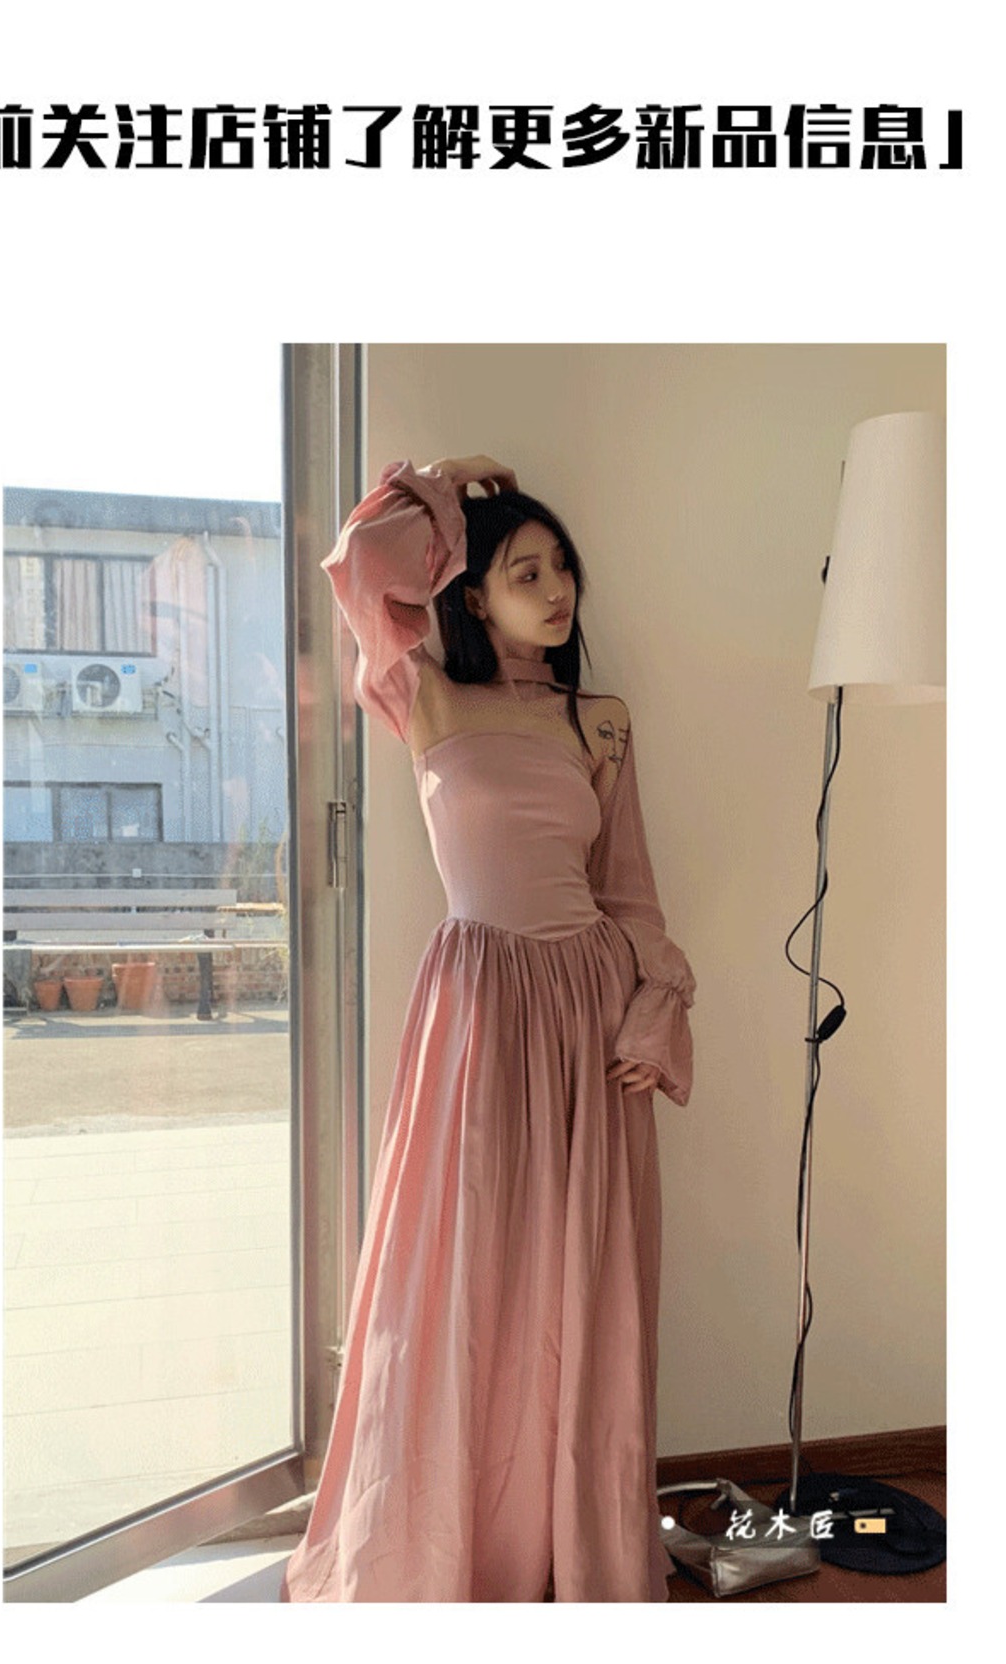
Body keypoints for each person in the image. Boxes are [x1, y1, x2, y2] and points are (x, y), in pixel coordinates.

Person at [278, 454, 695, 1602]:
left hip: (585, 1015)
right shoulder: (421, 693)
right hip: (473, 1009)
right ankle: (445, 1540)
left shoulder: (598, 721)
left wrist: (653, 1008)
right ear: (471, 593)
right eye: (525, 572)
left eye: (562, 569)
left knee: (580, 1283)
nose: (556, 590)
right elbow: (358, 566)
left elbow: (630, 895)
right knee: (459, 1271)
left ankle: (565, 1540)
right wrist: (440, 484)